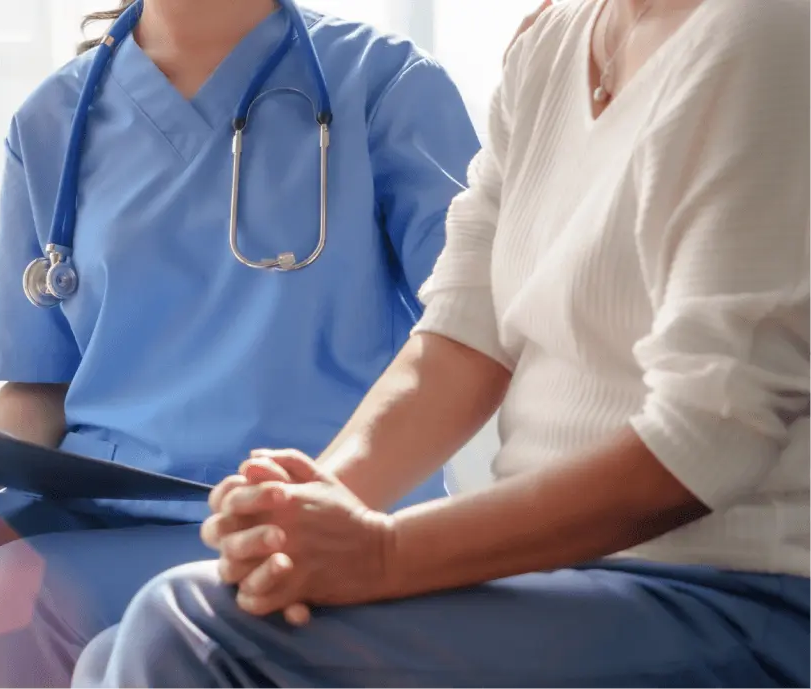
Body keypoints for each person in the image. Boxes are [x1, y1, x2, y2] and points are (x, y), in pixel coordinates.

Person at [70, 0, 811, 687]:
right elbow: (460, 338)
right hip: (572, 578)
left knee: (191, 630)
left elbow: (710, 436)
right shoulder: (553, 46)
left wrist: (381, 553)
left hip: (735, 589)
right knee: (117, 648)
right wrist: (303, 514)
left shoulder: (765, 33)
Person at [0, 0, 525, 685]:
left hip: (291, 505)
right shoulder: (55, 118)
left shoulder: (385, 84)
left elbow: (477, 326)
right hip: (94, 509)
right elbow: (41, 383)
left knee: (15, 596)